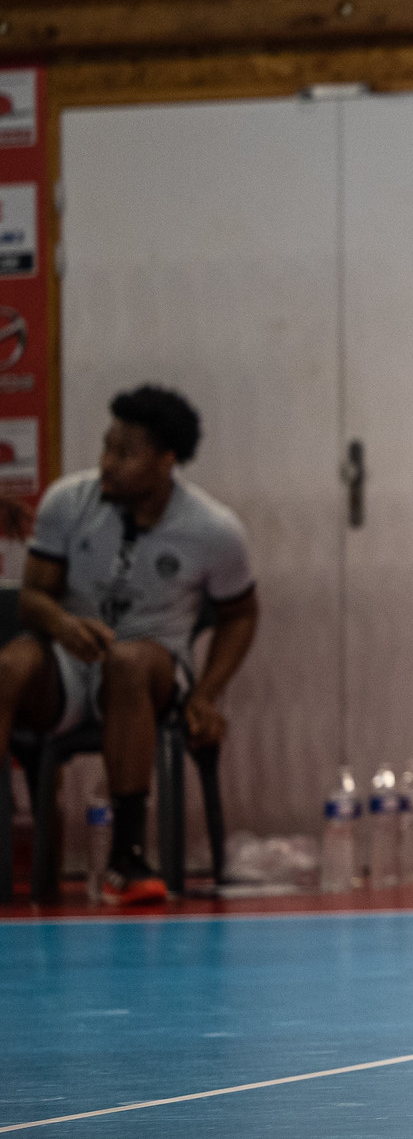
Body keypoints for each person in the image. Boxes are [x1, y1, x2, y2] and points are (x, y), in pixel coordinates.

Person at [0, 385, 258, 904]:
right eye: (106, 447)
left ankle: (127, 857)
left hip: (151, 668)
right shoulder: (67, 501)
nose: (107, 464)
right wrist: (64, 626)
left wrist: (206, 693)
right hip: (70, 660)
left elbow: (240, 614)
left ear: (166, 461)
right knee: (9, 666)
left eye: (125, 453)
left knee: (126, 662)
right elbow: (32, 600)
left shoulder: (214, 529)